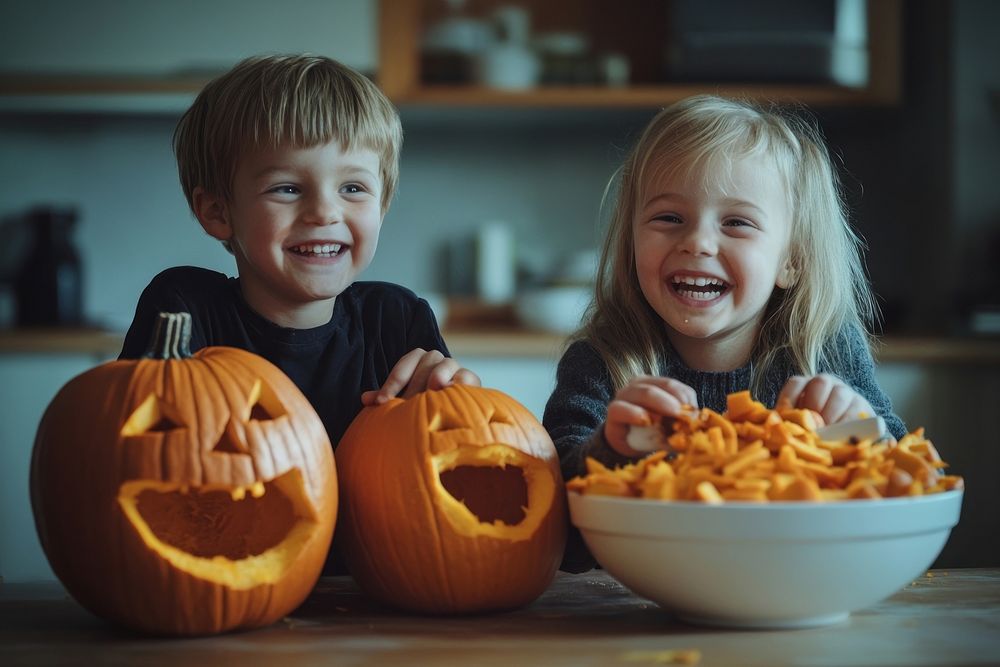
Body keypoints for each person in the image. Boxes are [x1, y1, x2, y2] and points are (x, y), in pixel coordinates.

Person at [543, 95, 905, 569]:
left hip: (799, 587)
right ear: (631, 240)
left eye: (737, 223)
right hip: (641, 609)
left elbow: (915, 488)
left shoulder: (822, 352)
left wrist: (862, 436)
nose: (697, 242)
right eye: (669, 218)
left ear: (790, 260)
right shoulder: (604, 361)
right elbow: (553, 537)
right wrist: (612, 449)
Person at [120, 54, 480, 480]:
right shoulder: (185, 310)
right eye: (287, 188)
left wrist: (458, 400)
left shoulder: (395, 321)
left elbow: (445, 464)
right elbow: (140, 457)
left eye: (353, 187)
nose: (325, 212)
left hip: (377, 548)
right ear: (218, 212)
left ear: (381, 207)